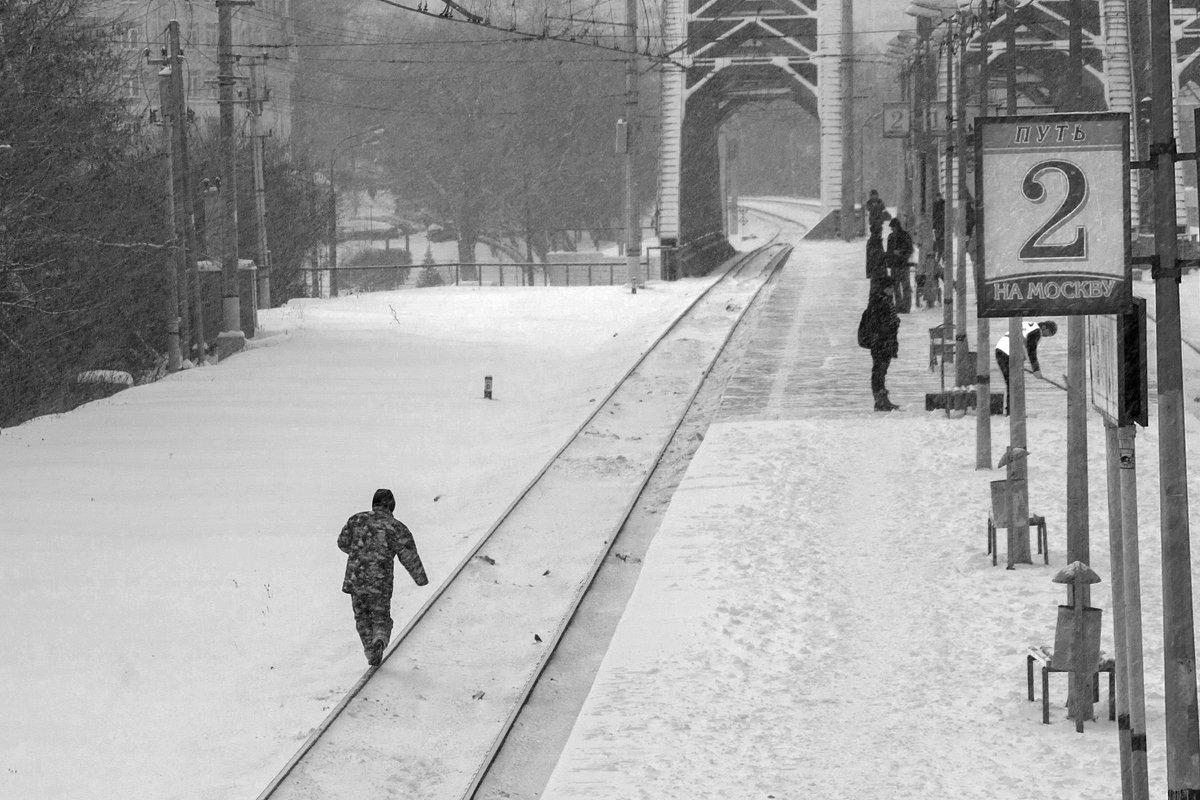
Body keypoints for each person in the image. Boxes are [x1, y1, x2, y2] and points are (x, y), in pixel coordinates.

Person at [338, 488, 429, 666]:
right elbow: (409, 556)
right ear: (392, 506)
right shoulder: (396, 527)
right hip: (380, 581)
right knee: (380, 617)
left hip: (355, 579)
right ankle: (379, 639)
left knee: (361, 617)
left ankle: (370, 650)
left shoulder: (356, 520)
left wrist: (360, 551)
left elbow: (342, 543)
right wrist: (421, 579)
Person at [995, 320, 1058, 415]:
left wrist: (1021, 359)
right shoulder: (1037, 331)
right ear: (1044, 327)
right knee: (1013, 383)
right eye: (1048, 333)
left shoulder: (1029, 325)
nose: (1047, 336)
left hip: (1000, 349)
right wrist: (1036, 369)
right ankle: (1012, 412)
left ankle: (1012, 410)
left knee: (1012, 382)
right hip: (1008, 352)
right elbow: (1031, 350)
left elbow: (1020, 340)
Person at [858, 276, 901, 411]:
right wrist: (892, 325)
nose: (892, 290)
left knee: (881, 371)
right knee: (879, 371)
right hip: (881, 343)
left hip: (884, 342)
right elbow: (879, 324)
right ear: (884, 289)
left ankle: (881, 399)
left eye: (892, 288)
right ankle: (880, 400)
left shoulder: (883, 301)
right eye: (889, 288)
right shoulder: (880, 303)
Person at [885, 217, 914, 313]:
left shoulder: (905, 236)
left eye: (893, 227)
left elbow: (910, 250)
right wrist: (889, 262)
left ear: (897, 227)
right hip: (895, 265)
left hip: (903, 265)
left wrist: (901, 253)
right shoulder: (891, 237)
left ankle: (906, 307)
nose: (892, 230)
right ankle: (899, 306)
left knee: (905, 287)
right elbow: (889, 251)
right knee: (896, 287)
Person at [932, 192, 946, 265]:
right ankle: (940, 259)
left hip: (941, 226)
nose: (938, 198)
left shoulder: (943, 203)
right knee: (939, 243)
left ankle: (941, 259)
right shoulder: (935, 204)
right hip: (938, 226)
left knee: (941, 243)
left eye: (939, 196)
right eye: (938, 197)